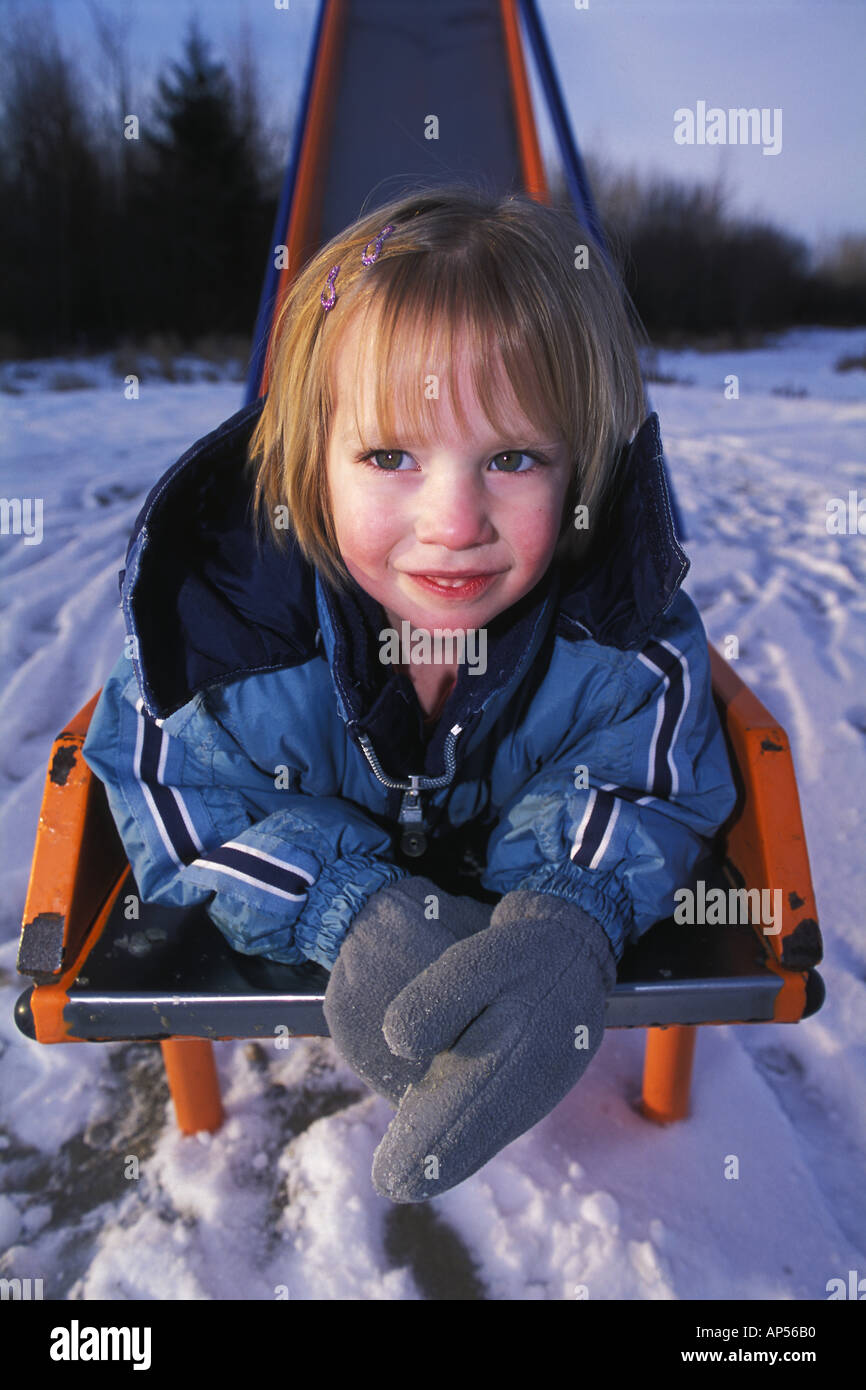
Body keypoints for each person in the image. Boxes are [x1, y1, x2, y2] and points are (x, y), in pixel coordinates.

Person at [82, 185, 737, 1203]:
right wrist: (340, 905)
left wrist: (567, 913)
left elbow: (647, 773)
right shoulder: (224, 645)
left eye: (511, 457)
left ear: (578, 479)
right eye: (389, 455)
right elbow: (172, 782)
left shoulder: (617, 643)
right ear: (312, 459)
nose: (451, 520)